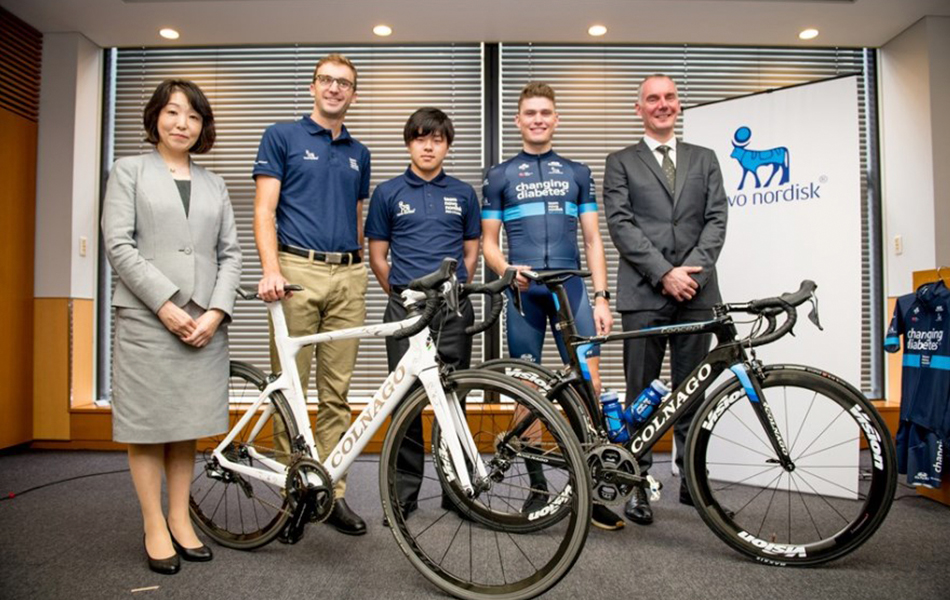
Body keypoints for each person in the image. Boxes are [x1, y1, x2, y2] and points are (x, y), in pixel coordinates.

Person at [102, 79, 242, 574]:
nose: (183, 123)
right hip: (147, 319)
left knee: (186, 426)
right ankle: (154, 524)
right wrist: (163, 304)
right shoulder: (128, 171)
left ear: (203, 126)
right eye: (173, 113)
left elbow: (230, 254)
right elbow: (119, 245)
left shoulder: (214, 184)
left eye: (194, 116)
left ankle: (181, 519)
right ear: (155, 118)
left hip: (204, 322)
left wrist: (217, 312)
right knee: (148, 426)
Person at [482, 82, 623, 531]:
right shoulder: (499, 175)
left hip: (573, 290)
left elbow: (593, 240)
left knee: (588, 388)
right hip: (525, 293)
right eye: (530, 113)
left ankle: (591, 488)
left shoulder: (578, 171)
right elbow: (488, 244)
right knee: (527, 393)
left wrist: (602, 298)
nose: (538, 119)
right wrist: (508, 269)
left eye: (546, 112)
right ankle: (539, 486)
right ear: (518, 120)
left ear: (556, 119)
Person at [252, 53, 371, 535]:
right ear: (312, 86)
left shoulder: (359, 152)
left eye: (344, 83)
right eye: (327, 80)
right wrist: (270, 269)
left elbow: (357, 214)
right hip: (295, 271)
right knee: (292, 392)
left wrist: (358, 264)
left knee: (336, 395)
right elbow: (265, 209)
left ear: (354, 95)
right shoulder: (282, 136)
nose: (335, 89)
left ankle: (331, 493)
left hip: (347, 274)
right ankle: (294, 492)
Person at [603, 73, 728, 526]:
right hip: (645, 293)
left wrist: (689, 272)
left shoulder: (705, 159)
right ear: (639, 108)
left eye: (669, 97)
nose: (662, 104)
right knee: (642, 395)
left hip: (697, 291)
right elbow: (621, 225)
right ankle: (637, 487)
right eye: (652, 99)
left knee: (692, 391)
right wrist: (664, 273)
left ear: (679, 105)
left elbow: (717, 219)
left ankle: (693, 482)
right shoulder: (620, 162)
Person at [365, 108, 481, 523]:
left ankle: (458, 491)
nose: (428, 146)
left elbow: (471, 250)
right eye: (419, 138)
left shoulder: (465, 193)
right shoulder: (388, 192)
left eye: (436, 139)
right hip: (405, 309)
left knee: (453, 398)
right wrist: (403, 294)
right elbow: (378, 256)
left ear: (447, 145)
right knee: (406, 402)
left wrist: (453, 290)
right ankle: (404, 495)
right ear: (409, 143)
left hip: (452, 309)